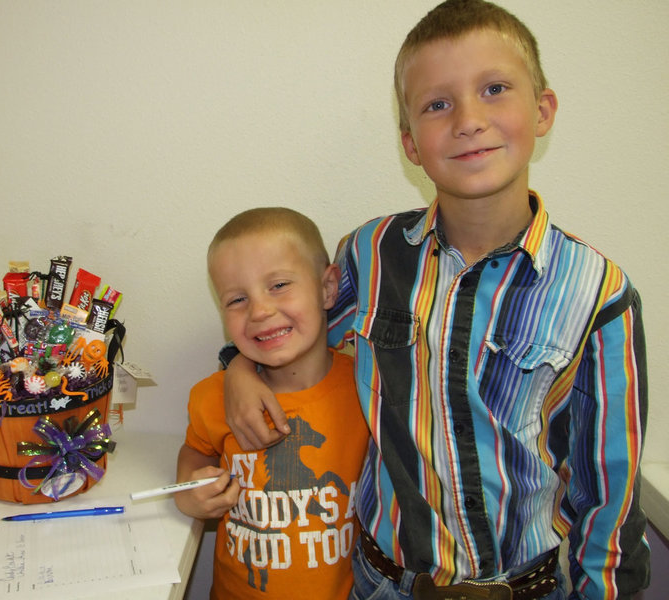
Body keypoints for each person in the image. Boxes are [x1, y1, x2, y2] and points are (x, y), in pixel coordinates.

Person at [222, 1, 650, 599]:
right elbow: (285, 334)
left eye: (495, 88)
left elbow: (608, 491)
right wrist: (238, 367)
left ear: (543, 110)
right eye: (437, 104)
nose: (468, 120)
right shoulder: (369, 255)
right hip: (385, 583)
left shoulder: (599, 293)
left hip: (528, 586)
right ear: (410, 143)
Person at [175, 207, 370, 599]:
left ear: (328, 288)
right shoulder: (211, 396)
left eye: (279, 284)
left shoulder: (368, 388)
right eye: (236, 299)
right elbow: (195, 452)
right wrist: (187, 492)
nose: (260, 311)